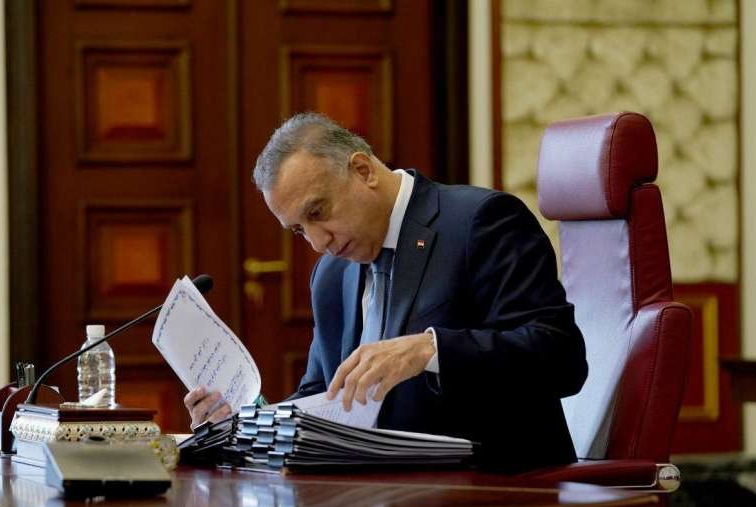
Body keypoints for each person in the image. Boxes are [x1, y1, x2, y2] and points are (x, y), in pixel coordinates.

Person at [184, 113, 587, 472]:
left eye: (318, 212)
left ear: (363, 170)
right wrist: (243, 424)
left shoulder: (480, 222)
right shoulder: (331, 275)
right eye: (299, 230)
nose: (318, 243)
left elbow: (561, 358)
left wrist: (429, 350)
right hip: (376, 495)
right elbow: (320, 395)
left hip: (497, 490)